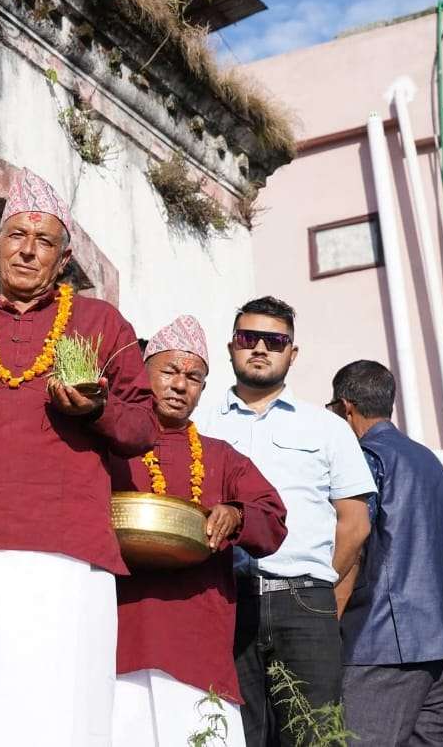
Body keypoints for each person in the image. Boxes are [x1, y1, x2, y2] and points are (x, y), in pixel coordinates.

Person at [0, 168, 156, 746]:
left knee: (52, 705)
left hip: (65, 547)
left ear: (63, 260)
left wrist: (95, 409)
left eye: (44, 241)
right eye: (17, 235)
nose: (27, 250)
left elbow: (143, 427)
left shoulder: (101, 323)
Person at [197, 296, 375, 747]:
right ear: (231, 346)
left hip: (304, 600)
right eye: (248, 337)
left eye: (274, 341)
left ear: (292, 353)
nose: (260, 348)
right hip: (225, 598)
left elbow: (355, 523)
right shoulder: (199, 424)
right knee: (232, 734)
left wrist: (318, 589)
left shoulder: (327, 427)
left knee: (314, 735)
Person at [111, 315, 287, 747]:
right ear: (143, 375)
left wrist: (236, 514)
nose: (179, 385)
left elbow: (273, 517)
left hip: (197, 636)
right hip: (120, 631)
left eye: (193, 378)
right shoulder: (110, 446)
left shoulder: (221, 457)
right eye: (169, 371)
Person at [328, 360, 443, 746]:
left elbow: (354, 542)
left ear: (345, 407)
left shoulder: (366, 458)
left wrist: (326, 619)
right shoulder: (429, 460)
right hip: (442, 645)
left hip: (382, 643)